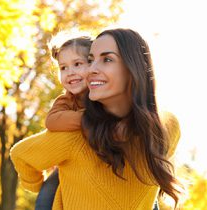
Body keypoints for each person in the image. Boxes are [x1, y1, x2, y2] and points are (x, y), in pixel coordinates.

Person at [10, 28, 182, 210]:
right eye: (91, 60)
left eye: (106, 59)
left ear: (133, 68)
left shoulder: (166, 127)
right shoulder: (73, 134)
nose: (91, 69)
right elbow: (23, 153)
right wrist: (45, 186)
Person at [35, 30, 92, 210]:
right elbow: (52, 121)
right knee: (47, 195)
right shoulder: (67, 100)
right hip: (72, 163)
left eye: (77, 64)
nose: (70, 72)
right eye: (63, 67)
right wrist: (91, 119)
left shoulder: (105, 92)